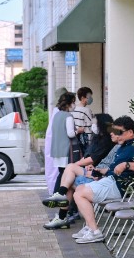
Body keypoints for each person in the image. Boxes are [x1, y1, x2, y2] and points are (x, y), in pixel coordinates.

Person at [71, 115, 134, 244]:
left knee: (79, 194)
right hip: (111, 181)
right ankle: (89, 228)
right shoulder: (124, 146)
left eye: (119, 132)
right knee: (79, 188)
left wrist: (127, 164)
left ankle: (95, 232)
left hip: (118, 187)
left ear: (130, 133)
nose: (115, 135)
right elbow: (114, 169)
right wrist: (98, 170)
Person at [42, 113, 115, 228]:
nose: (93, 126)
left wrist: (75, 165)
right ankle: (61, 215)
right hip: (93, 171)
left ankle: (61, 208)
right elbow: (87, 157)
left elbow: (92, 158)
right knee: (70, 177)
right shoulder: (97, 138)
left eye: (95, 123)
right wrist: (77, 165)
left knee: (70, 170)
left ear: (101, 124)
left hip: (99, 176)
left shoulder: (107, 141)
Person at [43, 92, 78, 229]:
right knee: (66, 177)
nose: (75, 104)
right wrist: (78, 131)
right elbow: (70, 133)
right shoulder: (68, 116)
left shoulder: (56, 115)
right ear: (70, 103)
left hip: (56, 150)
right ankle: (59, 194)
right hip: (66, 150)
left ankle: (58, 197)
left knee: (62, 174)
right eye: (74, 102)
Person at [43, 87, 69, 194]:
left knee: (57, 171)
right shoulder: (61, 113)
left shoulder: (56, 112)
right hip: (60, 147)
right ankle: (56, 194)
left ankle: (55, 193)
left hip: (54, 146)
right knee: (60, 172)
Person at [72, 87, 95, 152]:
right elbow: (90, 127)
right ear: (82, 98)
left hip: (76, 139)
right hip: (86, 141)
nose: (91, 98)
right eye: (89, 96)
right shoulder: (86, 110)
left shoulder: (74, 108)